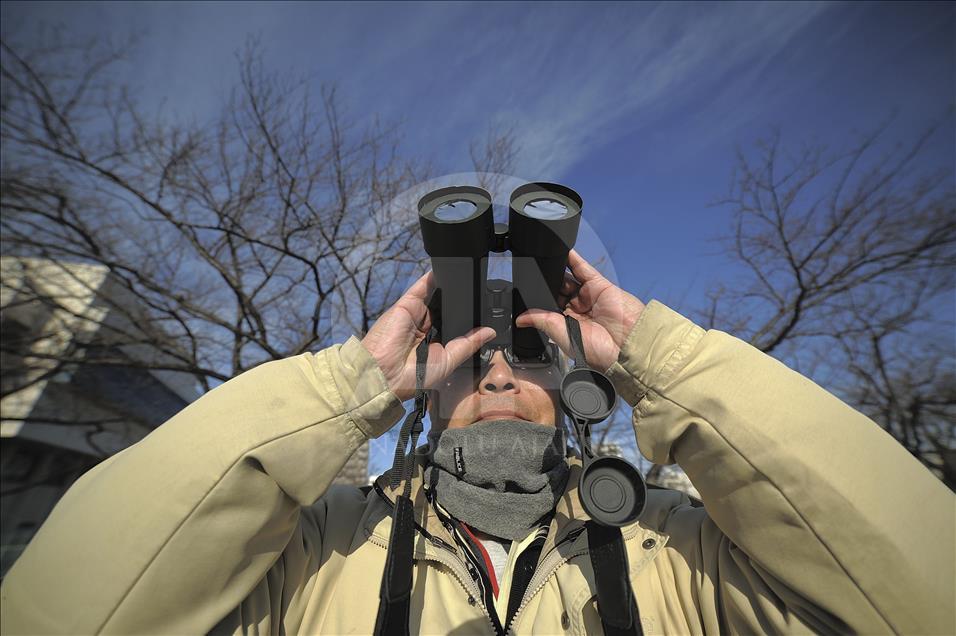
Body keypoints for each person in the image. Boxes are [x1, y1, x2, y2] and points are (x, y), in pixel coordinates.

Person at [1, 250, 952, 635]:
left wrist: (663, 360)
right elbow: (64, 613)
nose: (498, 376)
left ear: (579, 388)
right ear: (425, 393)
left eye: (531, 358)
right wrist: (346, 390)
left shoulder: (683, 549)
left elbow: (924, 595)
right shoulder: (309, 546)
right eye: (469, 362)